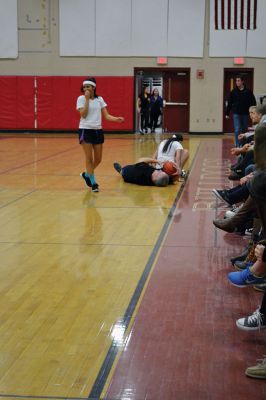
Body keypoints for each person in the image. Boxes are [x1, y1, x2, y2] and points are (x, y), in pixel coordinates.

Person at [77, 77, 124, 192]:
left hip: (98, 131)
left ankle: (87, 175)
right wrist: (87, 100)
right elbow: (83, 114)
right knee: (89, 159)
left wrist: (116, 119)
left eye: (88, 86)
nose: (86, 88)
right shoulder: (81, 99)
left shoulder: (100, 99)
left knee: (98, 159)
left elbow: (106, 116)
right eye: (84, 87)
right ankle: (93, 184)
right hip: (85, 130)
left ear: (93, 87)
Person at [225, 75, 256, 147]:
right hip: (236, 113)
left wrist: (253, 112)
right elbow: (230, 102)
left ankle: (244, 144)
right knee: (237, 129)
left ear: (242, 81)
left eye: (238, 81)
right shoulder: (233, 91)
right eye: (236, 81)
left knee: (244, 129)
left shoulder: (248, 91)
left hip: (245, 113)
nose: (237, 82)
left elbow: (253, 102)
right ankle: (238, 145)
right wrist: (227, 113)